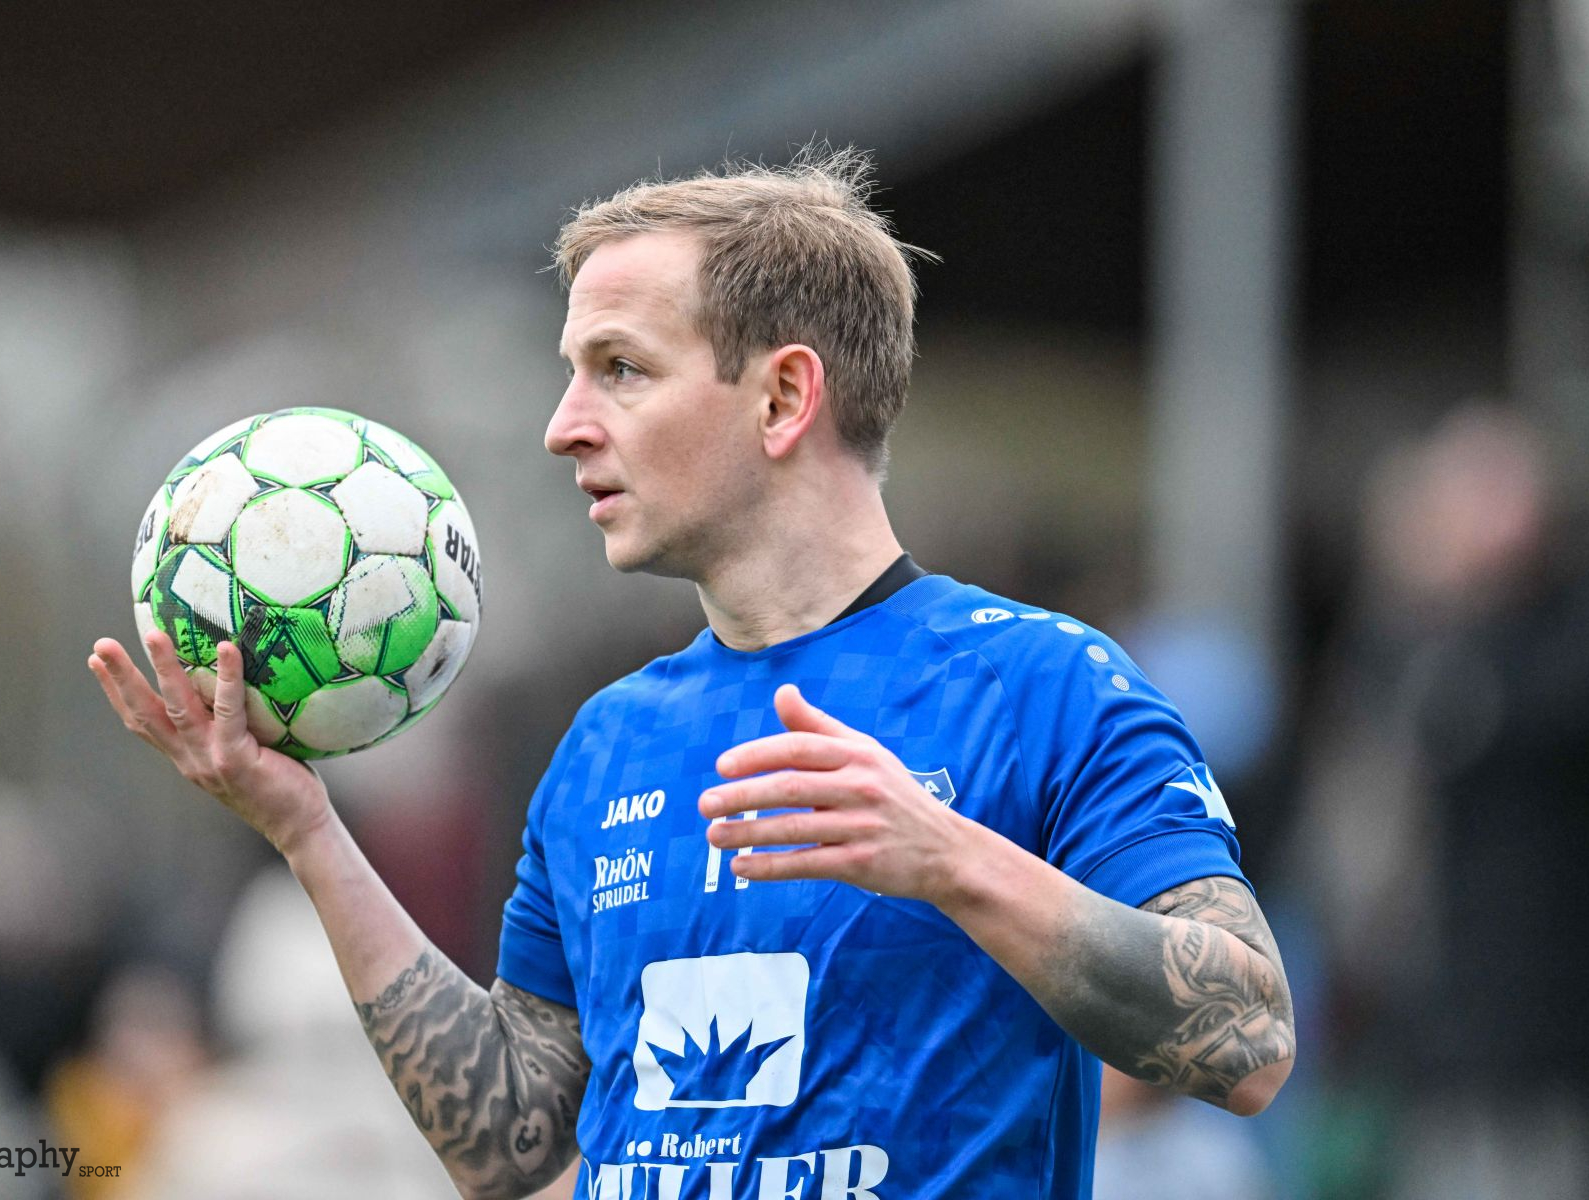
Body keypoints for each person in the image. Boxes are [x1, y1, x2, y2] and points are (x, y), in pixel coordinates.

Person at [88, 149, 1294, 1200]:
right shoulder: (606, 741)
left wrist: (950, 860)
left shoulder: (1044, 685)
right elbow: (512, 1150)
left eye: (620, 367)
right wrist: (306, 832)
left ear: (784, 396)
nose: (564, 424)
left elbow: (1249, 1040)